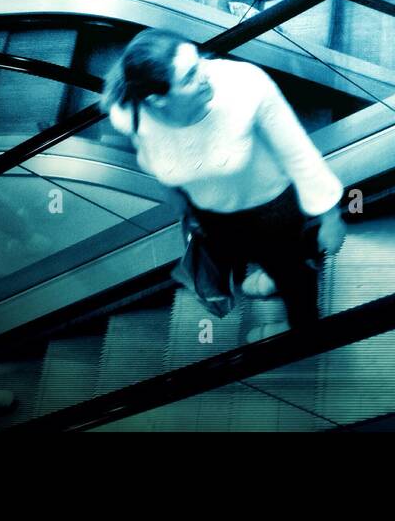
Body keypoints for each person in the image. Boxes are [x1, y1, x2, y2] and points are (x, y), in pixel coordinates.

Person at [103, 30, 346, 341]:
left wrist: (331, 217)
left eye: (199, 61)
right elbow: (151, 153)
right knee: (254, 254)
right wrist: (181, 203)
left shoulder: (245, 86)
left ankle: (303, 327)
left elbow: (296, 151)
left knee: (290, 269)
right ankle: (276, 272)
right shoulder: (129, 114)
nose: (206, 74)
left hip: (269, 207)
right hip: (210, 213)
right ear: (157, 99)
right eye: (190, 76)